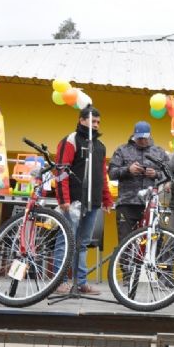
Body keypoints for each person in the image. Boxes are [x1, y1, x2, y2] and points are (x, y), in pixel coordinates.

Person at [54, 106, 113, 295]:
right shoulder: (70, 141)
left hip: (93, 203)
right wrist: (63, 198)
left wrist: (106, 199)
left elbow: (102, 175)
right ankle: (59, 282)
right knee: (65, 240)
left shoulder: (100, 146)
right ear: (81, 120)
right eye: (92, 121)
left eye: (98, 122)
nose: (96, 125)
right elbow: (61, 171)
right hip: (72, 202)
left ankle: (80, 283)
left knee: (83, 243)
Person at [108, 121, 168, 241]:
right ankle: (124, 260)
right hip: (127, 203)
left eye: (144, 138)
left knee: (151, 241)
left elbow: (169, 174)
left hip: (150, 205)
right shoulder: (122, 150)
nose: (142, 141)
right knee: (125, 241)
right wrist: (128, 170)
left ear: (150, 135)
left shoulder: (159, 152)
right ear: (134, 135)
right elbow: (111, 173)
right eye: (139, 138)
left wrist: (156, 174)